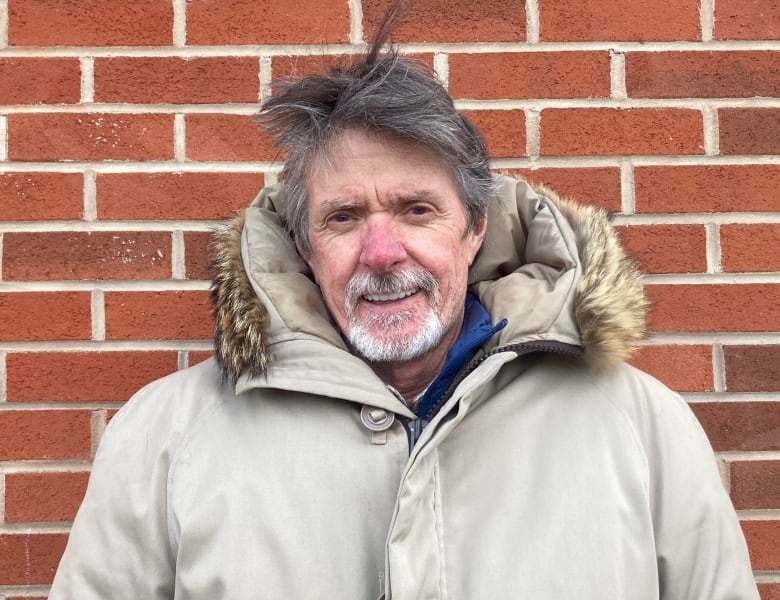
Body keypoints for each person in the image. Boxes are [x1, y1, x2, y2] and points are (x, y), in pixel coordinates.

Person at [50, 10, 759, 600]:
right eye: (344, 217)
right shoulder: (167, 440)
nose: (383, 253)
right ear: (302, 243)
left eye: (417, 210)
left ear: (474, 228)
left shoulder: (640, 428)